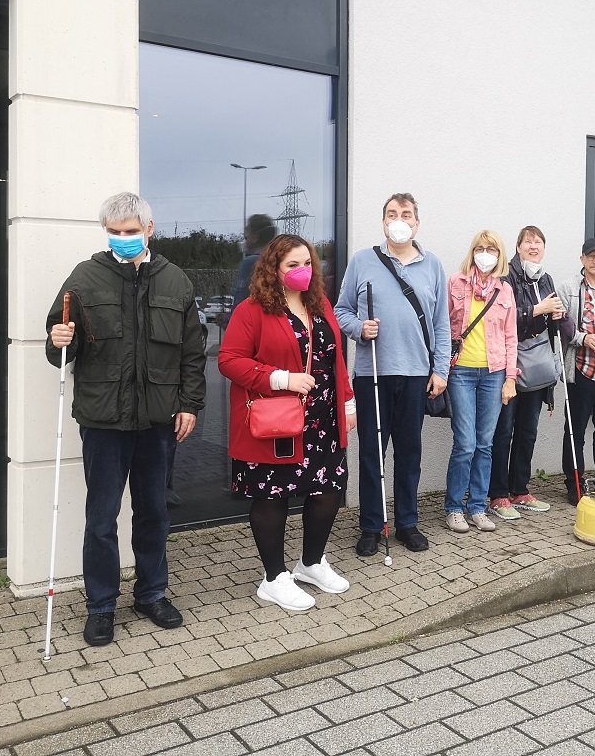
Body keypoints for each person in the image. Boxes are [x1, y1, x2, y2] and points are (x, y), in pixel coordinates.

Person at [45, 192, 206, 647]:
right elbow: (60, 345)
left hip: (158, 421)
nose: (123, 239)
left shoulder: (176, 282)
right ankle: (100, 606)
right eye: (115, 232)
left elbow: (193, 354)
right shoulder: (84, 277)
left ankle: (152, 594)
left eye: (131, 231)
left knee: (154, 511)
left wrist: (190, 404)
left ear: (149, 230)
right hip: (103, 420)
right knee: (102, 517)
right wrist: (58, 339)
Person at [218, 234, 356, 611]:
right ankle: (274, 578)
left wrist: (347, 402)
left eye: (307, 264)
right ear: (273, 270)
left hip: (323, 420)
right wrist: (281, 378)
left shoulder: (321, 304)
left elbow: (334, 359)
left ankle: (310, 563)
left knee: (327, 491)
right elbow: (229, 360)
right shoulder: (252, 310)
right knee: (272, 496)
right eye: (292, 265)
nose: (302, 271)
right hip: (276, 422)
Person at [334, 192, 450, 555]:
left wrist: (441, 370)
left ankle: (407, 522)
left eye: (405, 214)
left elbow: (442, 324)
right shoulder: (362, 261)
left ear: (417, 223)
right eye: (391, 214)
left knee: (410, 452)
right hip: (373, 373)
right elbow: (341, 311)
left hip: (416, 374)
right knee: (371, 452)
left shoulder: (432, 265)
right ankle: (371, 525)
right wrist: (358, 329)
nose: (398, 220)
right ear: (383, 222)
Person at [488, 226, 572, 520]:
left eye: (538, 242)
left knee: (528, 432)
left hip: (536, 367)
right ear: (518, 247)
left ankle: (519, 489)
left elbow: (560, 329)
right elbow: (502, 322)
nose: (533, 246)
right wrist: (538, 309)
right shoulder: (506, 276)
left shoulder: (546, 278)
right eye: (528, 242)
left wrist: (559, 317)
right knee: (503, 432)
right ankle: (497, 494)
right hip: (509, 366)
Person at [444, 231, 519, 533]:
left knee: (485, 444)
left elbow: (511, 337)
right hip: (460, 371)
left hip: (494, 373)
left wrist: (511, 378)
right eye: (480, 248)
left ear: (500, 255)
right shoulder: (455, 283)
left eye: (492, 249)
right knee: (465, 443)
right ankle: (453, 508)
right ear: (472, 251)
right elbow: (442, 327)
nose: (485, 254)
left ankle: (477, 506)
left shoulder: (505, 291)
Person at [557, 237, 595, 506]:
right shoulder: (569, 288)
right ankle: (574, 483)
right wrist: (582, 338)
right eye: (591, 256)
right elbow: (560, 324)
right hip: (582, 368)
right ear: (582, 259)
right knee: (576, 430)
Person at [232, 213, 277, 308]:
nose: (245, 242)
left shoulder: (250, 263)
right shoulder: (282, 260)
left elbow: (241, 300)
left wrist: (228, 321)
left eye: (246, 237)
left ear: (256, 236)